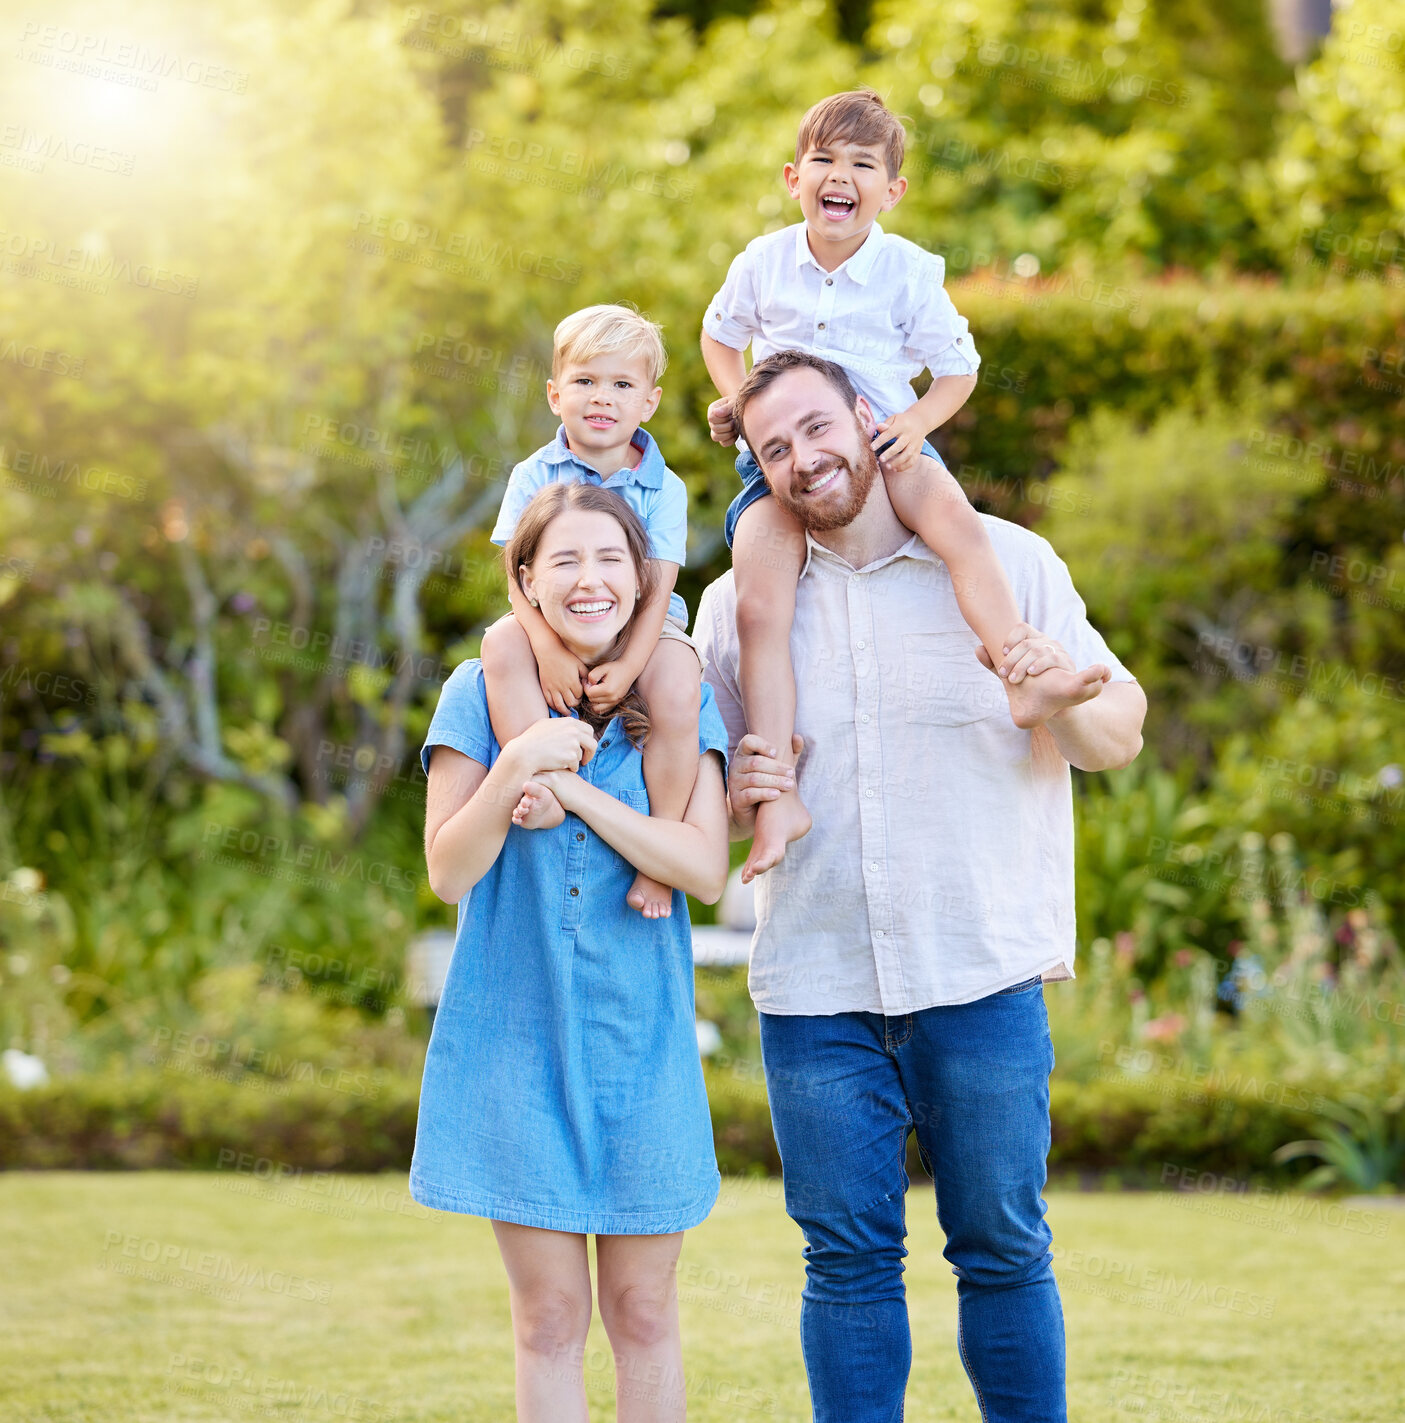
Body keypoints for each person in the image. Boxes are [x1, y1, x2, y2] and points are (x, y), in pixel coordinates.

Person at [695, 350, 1148, 1423]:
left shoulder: (1006, 564)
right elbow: (700, 806)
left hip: (979, 976)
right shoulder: (735, 607)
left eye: (816, 427)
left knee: (1000, 1246)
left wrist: (1055, 702)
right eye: (774, 450)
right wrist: (734, 794)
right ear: (758, 472)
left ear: (866, 415)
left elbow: (1115, 732)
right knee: (845, 1260)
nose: (804, 459)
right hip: (816, 985)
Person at [701, 88, 1082, 883]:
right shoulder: (762, 261)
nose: (840, 177)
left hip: (884, 439)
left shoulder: (907, 271)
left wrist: (916, 423)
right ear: (792, 177)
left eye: (862, 166)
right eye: (824, 162)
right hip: (789, 463)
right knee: (758, 605)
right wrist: (737, 400)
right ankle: (777, 795)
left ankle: (1020, 670)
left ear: (891, 190)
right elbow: (717, 334)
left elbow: (957, 369)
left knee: (959, 532)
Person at [413, 483, 731, 1421]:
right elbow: (447, 869)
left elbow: (703, 869)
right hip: (516, 1041)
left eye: (609, 559)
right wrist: (518, 762)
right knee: (549, 1315)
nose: (588, 579)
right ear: (526, 581)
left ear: (641, 582)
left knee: (642, 1308)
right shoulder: (478, 693)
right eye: (563, 560)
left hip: (642, 1042)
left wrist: (581, 792)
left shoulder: (676, 698)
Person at [482, 303, 701, 918]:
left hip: (643, 626)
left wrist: (632, 665)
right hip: (553, 618)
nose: (601, 397)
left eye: (621, 384)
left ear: (648, 403)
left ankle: (661, 856)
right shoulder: (534, 473)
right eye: (585, 381)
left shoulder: (665, 486)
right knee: (500, 646)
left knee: (681, 681)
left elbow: (658, 587)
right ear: (555, 395)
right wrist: (547, 649)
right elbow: (515, 573)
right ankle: (546, 783)